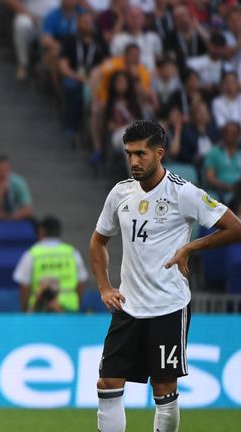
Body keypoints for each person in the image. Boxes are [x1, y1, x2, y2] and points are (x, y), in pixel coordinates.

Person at [90, 120, 241, 432]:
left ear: (159, 154)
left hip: (169, 307)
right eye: (129, 153)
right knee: (106, 382)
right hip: (128, 307)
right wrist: (105, 287)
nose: (133, 161)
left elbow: (235, 227)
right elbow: (98, 240)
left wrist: (190, 247)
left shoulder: (183, 193)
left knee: (163, 391)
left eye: (141, 154)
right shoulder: (120, 193)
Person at [13, 215, 89, 313]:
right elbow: (81, 284)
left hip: (38, 311)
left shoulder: (31, 254)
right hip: (69, 310)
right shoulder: (72, 253)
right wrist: (76, 305)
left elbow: (24, 286)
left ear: (41, 231)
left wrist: (24, 310)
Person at [0, 155, 34, 220]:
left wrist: (9, 217)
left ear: (9, 170)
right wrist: (0, 193)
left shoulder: (18, 182)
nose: (1, 174)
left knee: (30, 219)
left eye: (4, 171)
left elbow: (28, 208)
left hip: (13, 217)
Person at [203, 121, 241, 203]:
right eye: (227, 132)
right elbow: (210, 178)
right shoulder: (213, 153)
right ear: (223, 134)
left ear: (238, 135)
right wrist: (226, 186)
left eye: (234, 133)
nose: (230, 136)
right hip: (222, 188)